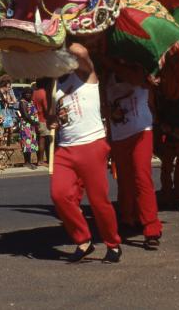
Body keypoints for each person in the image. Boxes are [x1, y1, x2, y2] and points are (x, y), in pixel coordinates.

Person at [47, 41, 122, 263]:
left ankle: (113, 244)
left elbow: (80, 51)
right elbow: (53, 117)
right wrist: (52, 121)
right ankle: (83, 240)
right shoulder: (55, 87)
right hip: (65, 147)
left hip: (91, 144)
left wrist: (55, 38)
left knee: (99, 201)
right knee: (59, 194)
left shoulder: (86, 75)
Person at [105, 68, 162, 249]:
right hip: (119, 135)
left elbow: (150, 93)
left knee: (142, 178)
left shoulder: (140, 73)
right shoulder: (106, 78)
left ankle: (151, 228)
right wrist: (111, 113)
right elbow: (103, 107)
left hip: (142, 132)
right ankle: (128, 217)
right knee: (124, 179)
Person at [18, 87, 39, 169]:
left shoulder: (31, 102)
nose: (28, 94)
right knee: (26, 143)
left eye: (29, 93)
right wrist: (33, 122)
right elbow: (25, 115)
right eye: (26, 93)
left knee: (30, 144)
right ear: (23, 94)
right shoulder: (22, 102)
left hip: (31, 126)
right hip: (26, 125)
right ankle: (26, 162)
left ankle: (29, 162)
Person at [32, 77, 51, 165]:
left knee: (39, 139)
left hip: (36, 119)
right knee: (43, 140)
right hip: (43, 119)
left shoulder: (34, 93)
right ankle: (41, 160)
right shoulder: (43, 93)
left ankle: (41, 159)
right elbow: (46, 108)